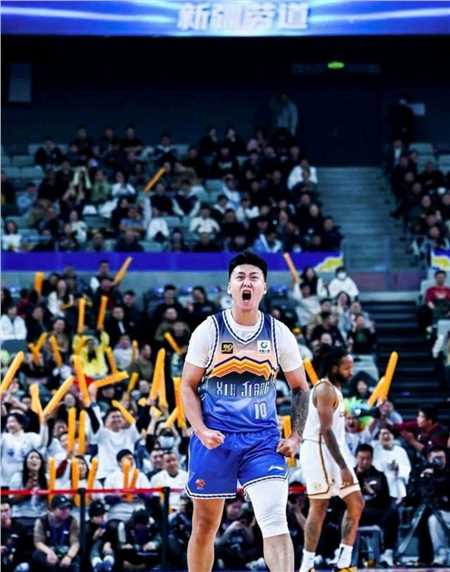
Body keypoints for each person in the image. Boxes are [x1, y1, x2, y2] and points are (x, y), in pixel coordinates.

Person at [181, 251, 309, 572]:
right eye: (240, 277)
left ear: (264, 287)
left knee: (274, 517)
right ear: (230, 287)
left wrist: (296, 436)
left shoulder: (278, 333)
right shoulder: (209, 330)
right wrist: (200, 429)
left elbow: (300, 388)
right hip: (216, 437)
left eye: (254, 277)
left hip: (261, 440)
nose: (247, 282)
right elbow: (187, 386)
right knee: (205, 526)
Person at [299, 347, 365, 572]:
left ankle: (343, 562)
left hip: (334, 449)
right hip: (318, 450)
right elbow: (326, 431)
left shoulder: (336, 389)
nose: (351, 372)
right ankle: (307, 565)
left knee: (356, 502)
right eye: (347, 368)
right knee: (319, 506)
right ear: (334, 368)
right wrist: (343, 466)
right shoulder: (325, 389)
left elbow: (334, 428)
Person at [354, 444, 399, 568]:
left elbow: (385, 499)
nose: (365, 462)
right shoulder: (349, 475)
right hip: (354, 513)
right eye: (362, 458)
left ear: (372, 459)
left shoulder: (379, 475)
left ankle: (388, 552)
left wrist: (372, 492)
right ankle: (338, 551)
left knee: (393, 511)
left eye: (368, 458)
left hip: (374, 511)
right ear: (356, 458)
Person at [33, 495, 80, 571]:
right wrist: (49, 552)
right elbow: (38, 542)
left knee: (76, 559)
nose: (66, 511)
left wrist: (69, 556)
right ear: (53, 510)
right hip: (48, 550)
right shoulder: (42, 521)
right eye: (62, 509)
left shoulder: (72, 521)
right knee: (37, 555)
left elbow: (75, 543)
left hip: (65, 551)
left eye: (68, 508)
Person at [1, 497, 31, 572]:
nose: (3, 514)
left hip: (16, 563)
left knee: (25, 566)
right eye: (1, 511)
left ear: (11, 511)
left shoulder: (20, 528)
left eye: (6, 510)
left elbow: (27, 550)